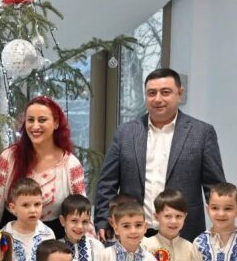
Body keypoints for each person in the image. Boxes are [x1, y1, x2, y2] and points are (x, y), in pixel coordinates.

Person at [94, 68, 225, 241]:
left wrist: (222, 228)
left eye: (165, 92)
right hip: (135, 233)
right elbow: (107, 182)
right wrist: (103, 219)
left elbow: (215, 188)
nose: (157, 99)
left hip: (184, 234)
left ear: (180, 93)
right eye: (151, 93)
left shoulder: (201, 133)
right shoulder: (125, 133)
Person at [0, 96, 86, 235]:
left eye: (42, 120)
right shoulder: (8, 158)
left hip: (54, 243)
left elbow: (82, 211)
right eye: (30, 120)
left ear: (56, 123)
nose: (35, 126)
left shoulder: (70, 164)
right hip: (9, 239)